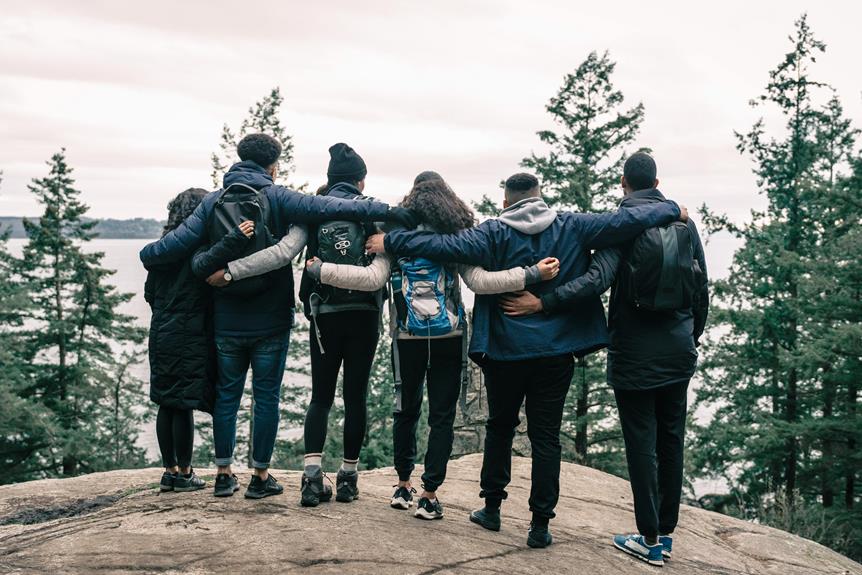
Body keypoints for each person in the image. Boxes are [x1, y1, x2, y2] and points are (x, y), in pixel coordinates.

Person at [367, 172, 686, 548]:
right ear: (540, 197)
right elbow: (624, 221)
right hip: (556, 351)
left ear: (506, 202)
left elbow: (444, 244)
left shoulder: (493, 232)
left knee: (500, 427)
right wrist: (670, 209)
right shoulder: (573, 225)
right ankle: (539, 525)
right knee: (546, 437)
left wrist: (392, 239)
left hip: (505, 351)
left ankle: (492, 509)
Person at [139, 134, 419, 500]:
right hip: (271, 318)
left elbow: (159, 253)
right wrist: (384, 211)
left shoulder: (212, 202)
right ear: (273, 165)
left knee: (228, 396)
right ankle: (259, 477)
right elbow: (322, 207)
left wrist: (190, 261)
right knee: (267, 397)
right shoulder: (278, 197)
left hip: (227, 317)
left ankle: (223, 475)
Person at [307, 171, 559, 519]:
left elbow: (371, 279)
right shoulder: (456, 237)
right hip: (449, 337)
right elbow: (482, 282)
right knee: (441, 417)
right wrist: (531, 275)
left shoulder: (394, 236)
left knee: (405, 411)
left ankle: (402, 485)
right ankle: (429, 494)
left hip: (407, 337)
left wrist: (322, 271)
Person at [500, 153, 709, 566]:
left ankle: (648, 538)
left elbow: (594, 281)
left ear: (623, 183)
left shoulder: (624, 228)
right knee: (671, 441)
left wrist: (543, 303)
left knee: (641, 445)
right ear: (657, 181)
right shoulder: (684, 223)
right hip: (678, 351)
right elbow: (700, 285)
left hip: (634, 354)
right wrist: (691, 335)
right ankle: (665, 535)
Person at [144, 188, 254, 493]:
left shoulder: (163, 250)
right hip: (190, 331)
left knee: (166, 401)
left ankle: (169, 471)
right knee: (183, 402)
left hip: (161, 330)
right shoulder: (199, 248)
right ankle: (185, 472)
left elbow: (150, 294)